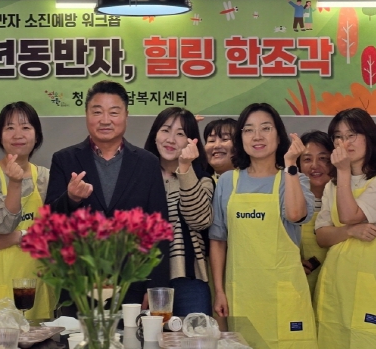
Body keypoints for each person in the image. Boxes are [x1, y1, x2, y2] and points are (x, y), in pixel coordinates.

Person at [46, 80, 169, 307]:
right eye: (97, 112)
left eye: (113, 112)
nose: (105, 120)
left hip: (132, 284)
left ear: (126, 116)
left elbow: (159, 228)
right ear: (86, 115)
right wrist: (71, 199)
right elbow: (50, 223)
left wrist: (155, 288)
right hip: (79, 286)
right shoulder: (64, 159)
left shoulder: (147, 163)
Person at [210, 102, 317, 349]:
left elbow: (296, 214)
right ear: (241, 138)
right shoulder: (227, 181)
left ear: (279, 136)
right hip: (242, 295)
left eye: (266, 128)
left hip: (284, 296)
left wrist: (291, 164)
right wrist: (219, 291)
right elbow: (218, 240)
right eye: (248, 130)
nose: (257, 136)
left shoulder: (294, 178)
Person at [314, 108, 376, 349]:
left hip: (370, 283)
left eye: (352, 135)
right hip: (337, 279)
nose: (345, 142)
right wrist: (349, 232)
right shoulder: (332, 186)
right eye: (338, 136)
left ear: (369, 137)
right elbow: (322, 236)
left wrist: (343, 171)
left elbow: (349, 215)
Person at [0, 101, 53, 318]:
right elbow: (1, 227)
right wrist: (15, 183)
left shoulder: (45, 177)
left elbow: (56, 234)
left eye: (25, 127)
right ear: (0, 136)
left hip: (38, 282)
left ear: (37, 135)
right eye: (10, 127)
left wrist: (19, 237)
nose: (18, 134)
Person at [143, 107, 214, 316]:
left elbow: (200, 220)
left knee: (195, 334)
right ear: (155, 135)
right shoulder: (138, 176)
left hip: (188, 279)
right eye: (165, 130)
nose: (171, 139)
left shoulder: (202, 179)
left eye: (180, 133)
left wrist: (185, 168)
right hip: (144, 277)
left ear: (191, 142)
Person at [296, 130, 334, 298]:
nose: (314, 165)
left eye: (323, 158)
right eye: (307, 159)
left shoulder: (346, 201)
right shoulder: (291, 202)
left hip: (336, 285)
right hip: (299, 288)